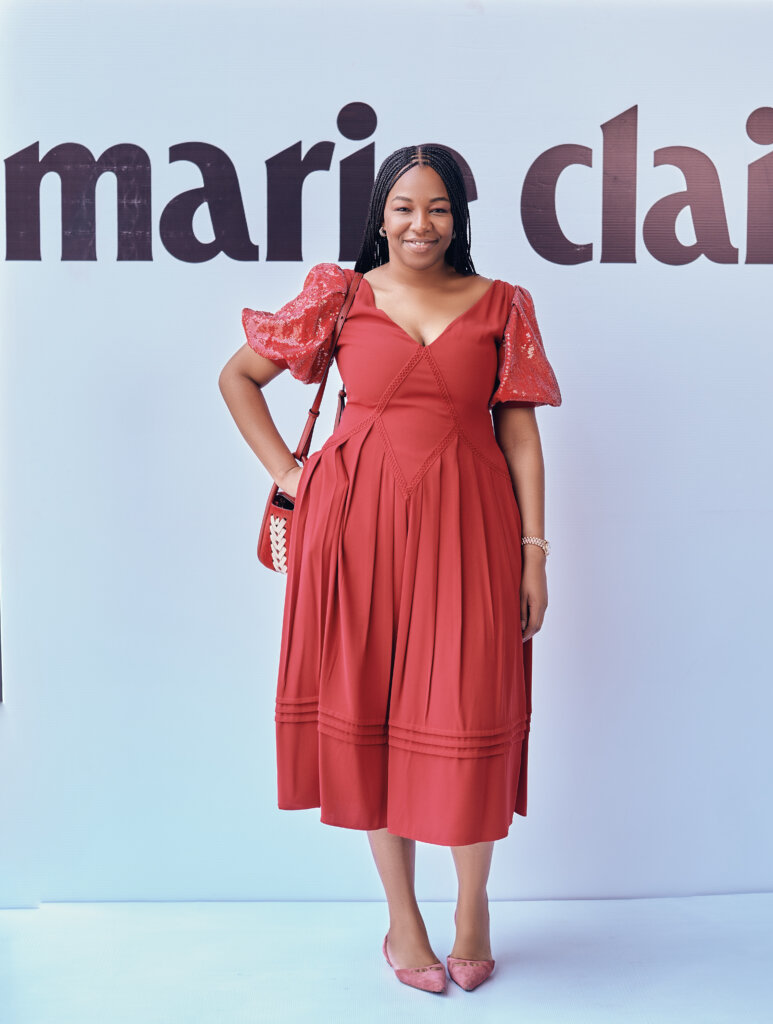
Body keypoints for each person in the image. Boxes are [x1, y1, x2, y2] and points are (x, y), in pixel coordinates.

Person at [219, 144, 561, 993]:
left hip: (471, 527)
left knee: (468, 705)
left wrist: (534, 553)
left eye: (438, 207)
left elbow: (519, 434)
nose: (420, 224)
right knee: (371, 708)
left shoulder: (503, 303)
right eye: (404, 207)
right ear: (379, 214)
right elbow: (238, 378)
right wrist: (290, 474)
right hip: (354, 527)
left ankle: (473, 907)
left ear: (459, 218)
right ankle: (402, 918)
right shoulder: (339, 294)